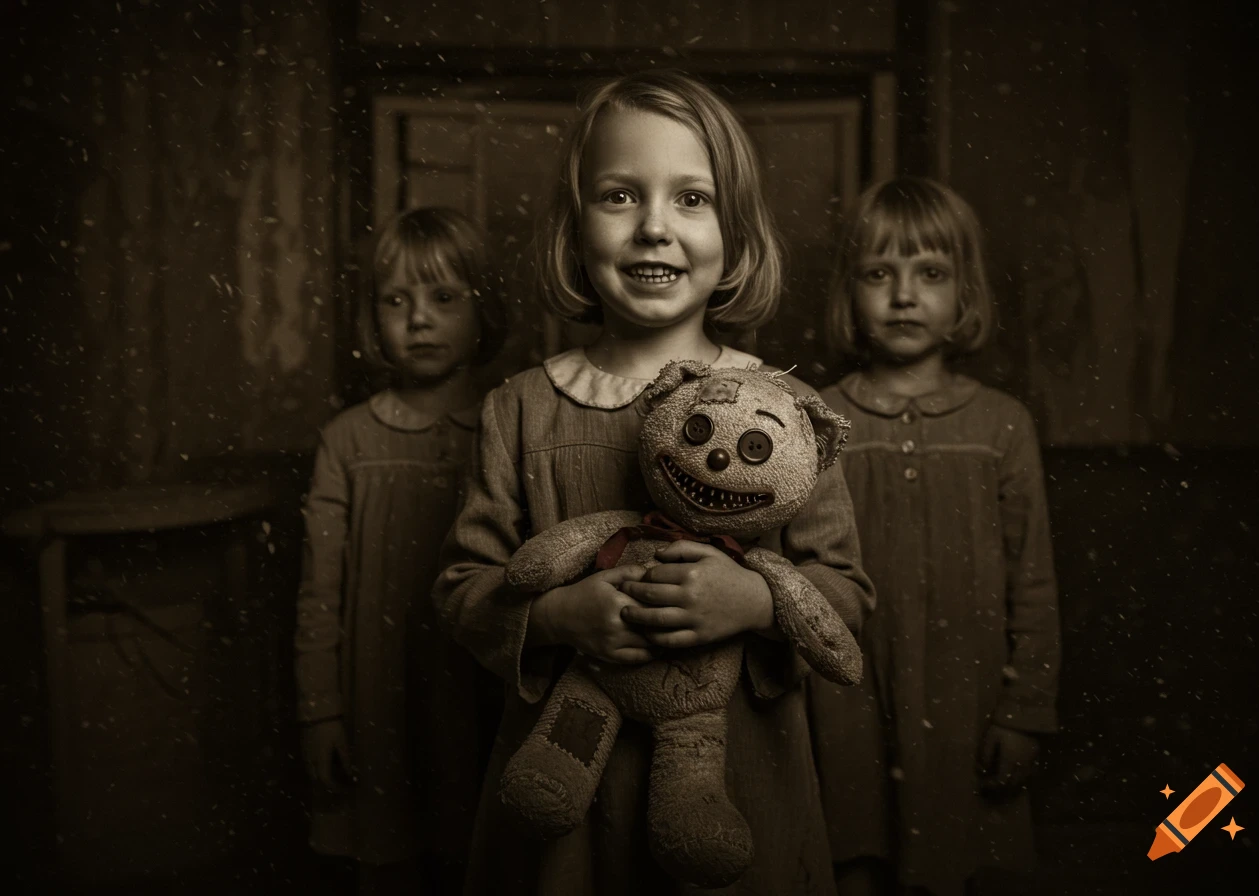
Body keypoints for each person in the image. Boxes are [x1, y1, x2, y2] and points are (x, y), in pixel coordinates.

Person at [432, 69, 874, 895]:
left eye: (692, 199)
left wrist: (755, 601)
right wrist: (560, 614)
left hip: (738, 775)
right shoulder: (519, 409)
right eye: (619, 195)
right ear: (573, 230)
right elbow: (462, 589)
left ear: (737, 237)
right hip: (568, 793)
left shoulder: (790, 412)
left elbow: (844, 594)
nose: (653, 228)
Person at [809, 177, 1062, 896]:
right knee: (852, 856)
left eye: (931, 274)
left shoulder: (1002, 426)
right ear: (850, 293)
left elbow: (1034, 584)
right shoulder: (816, 421)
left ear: (965, 294)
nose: (903, 295)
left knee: (966, 867)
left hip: (970, 701)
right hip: (848, 702)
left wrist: (1025, 713)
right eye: (879, 273)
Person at [295, 207, 506, 894]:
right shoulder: (348, 441)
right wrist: (320, 709)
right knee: (392, 861)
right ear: (373, 318)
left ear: (483, 310)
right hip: (379, 693)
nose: (418, 319)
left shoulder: (511, 424)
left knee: (481, 851)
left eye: (444, 298)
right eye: (396, 300)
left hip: (480, 688)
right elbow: (319, 593)